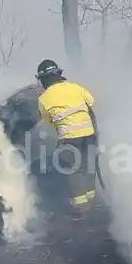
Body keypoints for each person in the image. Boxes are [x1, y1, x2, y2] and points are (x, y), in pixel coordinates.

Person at [35, 59, 100, 208]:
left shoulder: (43, 99)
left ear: (43, 80)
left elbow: (49, 121)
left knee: (73, 171)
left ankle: (81, 206)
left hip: (69, 139)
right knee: (88, 167)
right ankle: (92, 200)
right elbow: (91, 102)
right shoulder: (75, 87)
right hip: (89, 135)